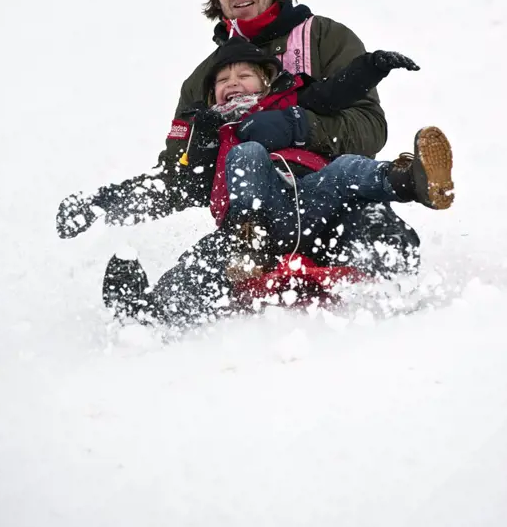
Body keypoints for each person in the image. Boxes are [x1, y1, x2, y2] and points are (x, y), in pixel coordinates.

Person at [56, 38, 453, 329]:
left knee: (348, 168)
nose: (233, 82)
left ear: (267, 81)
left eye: (244, 74)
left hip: (316, 202)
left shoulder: (294, 104)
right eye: (222, 79)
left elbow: (339, 89)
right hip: (249, 227)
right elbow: (171, 183)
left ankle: (411, 181)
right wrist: (98, 204)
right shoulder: (211, 132)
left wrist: (373, 64)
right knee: (243, 159)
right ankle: (146, 313)